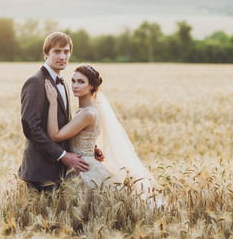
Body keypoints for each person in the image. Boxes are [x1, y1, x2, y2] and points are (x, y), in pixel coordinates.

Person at [45, 64, 160, 196]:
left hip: (84, 170)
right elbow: (85, 135)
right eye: (73, 81)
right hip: (82, 164)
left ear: (92, 86)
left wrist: (53, 102)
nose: (75, 85)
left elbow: (55, 135)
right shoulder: (90, 109)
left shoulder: (87, 113)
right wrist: (92, 147)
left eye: (81, 82)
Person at [18, 32, 103, 192]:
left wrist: (90, 148)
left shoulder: (64, 83)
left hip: (63, 171)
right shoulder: (35, 82)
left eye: (66, 52)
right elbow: (31, 128)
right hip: (41, 172)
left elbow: (67, 125)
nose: (62, 56)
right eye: (57, 51)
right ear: (46, 54)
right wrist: (62, 155)